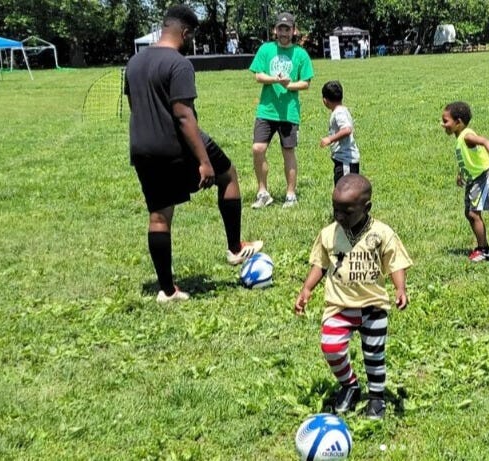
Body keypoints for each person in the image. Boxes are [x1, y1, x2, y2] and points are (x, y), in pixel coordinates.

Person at [125, 5, 262, 303]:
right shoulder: (179, 63)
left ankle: (168, 290)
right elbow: (184, 116)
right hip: (178, 143)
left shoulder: (134, 62)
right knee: (228, 174)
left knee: (159, 215)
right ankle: (235, 248)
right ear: (185, 33)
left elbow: (137, 105)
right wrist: (202, 161)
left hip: (142, 146)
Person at [295, 174, 412, 420]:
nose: (339, 216)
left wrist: (400, 288)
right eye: (335, 210)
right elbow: (320, 264)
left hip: (373, 306)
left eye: (347, 212)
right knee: (331, 346)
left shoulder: (381, 233)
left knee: (374, 355)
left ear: (366, 208)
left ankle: (377, 397)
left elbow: (395, 262)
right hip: (339, 305)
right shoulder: (329, 233)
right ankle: (349, 384)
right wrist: (307, 289)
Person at [248, 12, 314, 209]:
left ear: (293, 31)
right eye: (281, 29)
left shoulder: (301, 54)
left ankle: (291, 195)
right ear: (275, 30)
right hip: (266, 110)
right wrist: (276, 80)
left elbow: (306, 83)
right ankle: (263, 193)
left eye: (288, 29)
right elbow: (258, 76)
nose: (284, 32)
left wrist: (289, 85)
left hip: (288, 112)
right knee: (257, 149)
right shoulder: (266, 49)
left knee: (288, 152)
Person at [441, 101, 489, 262]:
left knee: (473, 213)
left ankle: (484, 250)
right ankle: (482, 247)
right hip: (473, 178)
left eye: (445, 121)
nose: (442, 125)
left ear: (458, 122)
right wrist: (461, 173)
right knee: (469, 213)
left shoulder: (467, 136)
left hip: (483, 176)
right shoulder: (460, 137)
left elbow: (486, 141)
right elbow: (466, 157)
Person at [319, 81, 360, 185]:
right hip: (343, 161)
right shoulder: (342, 110)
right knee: (344, 191)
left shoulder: (339, 113)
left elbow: (347, 130)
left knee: (346, 192)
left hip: (346, 161)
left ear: (325, 100)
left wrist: (330, 139)